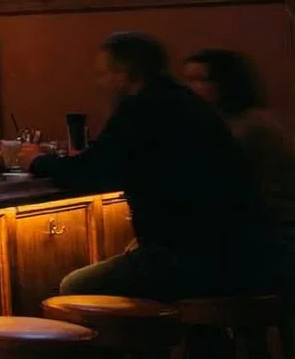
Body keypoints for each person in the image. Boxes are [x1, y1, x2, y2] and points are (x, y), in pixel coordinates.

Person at [33, 32, 269, 299]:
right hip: (242, 253)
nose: (102, 82)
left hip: (195, 260)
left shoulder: (142, 110)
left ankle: (154, 328)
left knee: (75, 287)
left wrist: (36, 160)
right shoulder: (185, 101)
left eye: (105, 73)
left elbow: (92, 172)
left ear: (124, 74)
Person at [185, 49, 295, 286]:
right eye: (189, 80)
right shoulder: (222, 123)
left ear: (227, 83)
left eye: (202, 80)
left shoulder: (251, 126)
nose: (192, 88)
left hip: (270, 234)